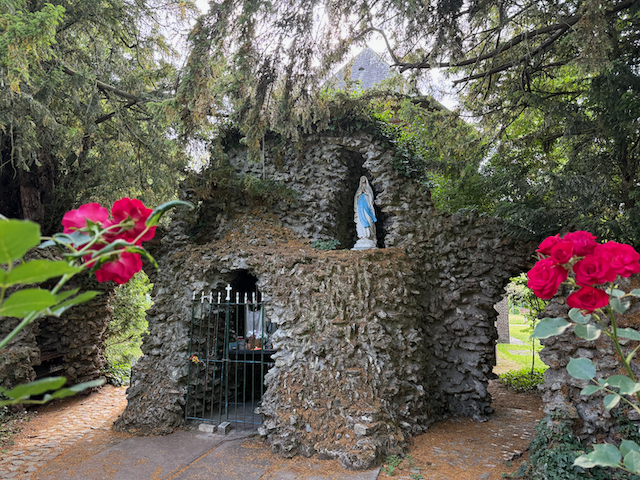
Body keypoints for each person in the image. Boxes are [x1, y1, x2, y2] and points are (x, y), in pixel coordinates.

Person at [353, 176, 377, 249]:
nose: (363, 180)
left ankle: (369, 236)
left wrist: (366, 193)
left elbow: (371, 197)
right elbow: (356, 198)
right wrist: (360, 193)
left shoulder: (368, 188)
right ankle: (362, 236)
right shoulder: (359, 190)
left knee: (369, 220)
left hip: (367, 207)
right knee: (360, 221)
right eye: (361, 179)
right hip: (360, 208)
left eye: (364, 179)